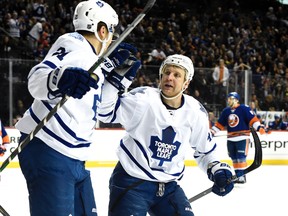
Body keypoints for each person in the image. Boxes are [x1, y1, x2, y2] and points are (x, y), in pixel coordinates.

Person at [14, 1, 129, 215]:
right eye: (112, 32)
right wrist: (61, 78)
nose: (112, 39)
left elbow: (104, 111)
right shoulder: (74, 42)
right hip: (49, 148)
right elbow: (37, 80)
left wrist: (116, 79)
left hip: (74, 158)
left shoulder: (94, 60)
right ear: (102, 30)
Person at [97, 54, 234, 215]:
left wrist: (216, 169)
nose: (169, 78)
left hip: (168, 187)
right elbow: (104, 112)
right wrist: (113, 83)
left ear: (186, 83)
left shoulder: (195, 112)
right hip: (132, 181)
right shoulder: (142, 99)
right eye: (166, 73)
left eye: (177, 75)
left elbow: (205, 151)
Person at [210, 92, 267, 184]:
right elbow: (219, 124)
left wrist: (259, 127)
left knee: (241, 157)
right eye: (228, 98)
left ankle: (242, 176)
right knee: (234, 157)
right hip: (230, 138)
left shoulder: (244, 108)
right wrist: (212, 132)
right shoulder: (226, 111)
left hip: (242, 137)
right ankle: (237, 175)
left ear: (236, 100)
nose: (229, 100)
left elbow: (253, 120)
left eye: (231, 98)